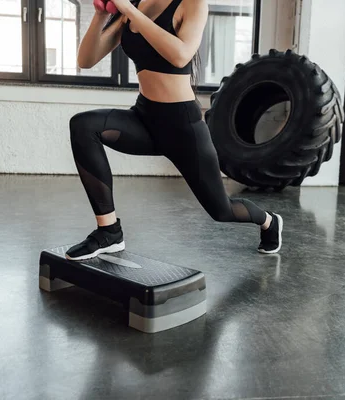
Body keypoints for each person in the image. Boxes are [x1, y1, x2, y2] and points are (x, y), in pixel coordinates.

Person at [66, 0, 283, 261]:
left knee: (222, 210)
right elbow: (86, 60)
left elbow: (181, 54)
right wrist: (101, 16)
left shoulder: (192, 4)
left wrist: (130, 11)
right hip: (144, 119)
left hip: (183, 128)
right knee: (83, 125)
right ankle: (109, 232)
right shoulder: (136, 4)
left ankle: (269, 221)